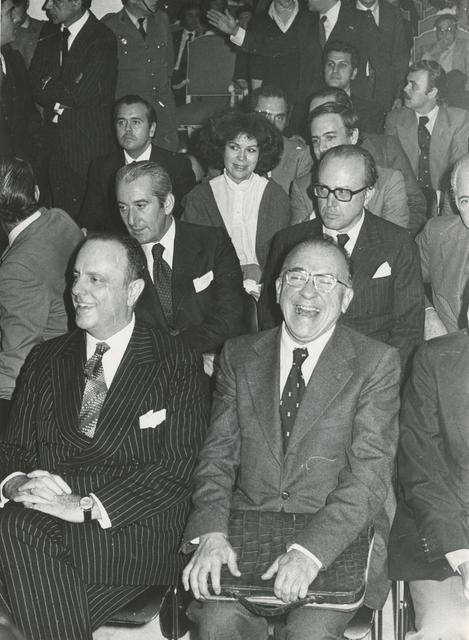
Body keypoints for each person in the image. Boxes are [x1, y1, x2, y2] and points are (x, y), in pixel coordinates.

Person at [182, 236, 401, 640]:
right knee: (218, 624)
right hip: (247, 534)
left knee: (310, 634)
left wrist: (309, 553)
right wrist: (211, 532)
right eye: (297, 277)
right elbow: (216, 458)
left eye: (325, 281)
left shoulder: (376, 363)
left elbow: (369, 478)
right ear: (278, 288)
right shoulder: (239, 355)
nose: (308, 292)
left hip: (334, 538)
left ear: (347, 298)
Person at [0, 233, 210, 640]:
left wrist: (82, 506)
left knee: (14, 531)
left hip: (131, 533)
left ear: (133, 291)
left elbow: (178, 469)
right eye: (76, 277)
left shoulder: (175, 361)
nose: (77, 290)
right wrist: (18, 482)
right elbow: (11, 449)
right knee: (21, 536)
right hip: (44, 529)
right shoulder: (45, 358)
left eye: (95, 280)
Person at [258, 144, 424, 375]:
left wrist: (382, 378)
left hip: (369, 372)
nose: (330, 203)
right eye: (323, 190)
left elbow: (408, 329)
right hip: (301, 368)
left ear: (368, 194)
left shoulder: (397, 244)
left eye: (343, 193)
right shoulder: (289, 241)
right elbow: (270, 316)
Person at [116, 161, 245, 370]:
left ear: (167, 204)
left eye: (140, 206)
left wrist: (182, 353)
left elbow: (230, 316)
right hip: (148, 371)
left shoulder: (212, 242)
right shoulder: (118, 258)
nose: (131, 220)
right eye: (123, 208)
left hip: (209, 367)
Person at [388, 325, 469, 639]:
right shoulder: (435, 360)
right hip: (446, 538)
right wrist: (464, 559)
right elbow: (422, 472)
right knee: (453, 630)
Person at [0, 157, 82, 425]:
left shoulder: (17, 268)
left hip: (48, 384)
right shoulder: (60, 218)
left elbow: (18, 359)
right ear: (35, 193)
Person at [182, 111, 290, 294]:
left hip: (265, 291)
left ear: (261, 154)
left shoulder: (275, 196)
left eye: (251, 150)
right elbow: (191, 258)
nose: (241, 158)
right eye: (234, 147)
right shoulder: (199, 198)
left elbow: (281, 259)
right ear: (221, 149)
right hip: (213, 290)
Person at [29, 0, 117, 221]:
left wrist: (49, 84)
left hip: (88, 145)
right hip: (54, 143)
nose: (47, 6)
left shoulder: (102, 37)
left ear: (77, 2)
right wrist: (60, 100)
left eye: (55, 1)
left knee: (91, 219)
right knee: (63, 219)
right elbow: (34, 85)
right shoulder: (49, 32)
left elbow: (82, 94)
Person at [308, 87, 428, 235]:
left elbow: (415, 205)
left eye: (329, 109)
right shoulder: (308, 169)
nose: (322, 147)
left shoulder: (386, 149)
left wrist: (401, 241)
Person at [80, 95, 195, 232]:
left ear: (152, 129)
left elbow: (184, 220)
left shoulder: (177, 166)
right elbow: (90, 220)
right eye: (121, 122)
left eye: (135, 122)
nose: (127, 129)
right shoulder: (101, 167)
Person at [292, 102, 409, 229]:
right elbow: (297, 236)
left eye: (330, 137)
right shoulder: (302, 187)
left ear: (353, 136)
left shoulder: (388, 182)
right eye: (315, 141)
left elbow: (394, 237)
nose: (321, 148)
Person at [385, 60, 469, 199]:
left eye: (413, 85)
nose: (405, 89)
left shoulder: (459, 121)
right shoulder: (395, 120)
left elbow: (458, 174)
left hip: (445, 200)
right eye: (407, 83)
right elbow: (392, 170)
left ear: (432, 92)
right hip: (407, 199)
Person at [102, 0, 178, 152]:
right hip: (130, 115)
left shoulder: (161, 19)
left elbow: (169, 64)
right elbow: (105, 76)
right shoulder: (110, 25)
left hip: (162, 111)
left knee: (166, 159)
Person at [417, 154, 469, 340]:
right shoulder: (437, 233)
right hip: (448, 350)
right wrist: (428, 315)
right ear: (456, 203)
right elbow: (403, 278)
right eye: (466, 201)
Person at [251, 85, 313, 194]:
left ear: (286, 121)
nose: (272, 124)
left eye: (279, 118)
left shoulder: (299, 156)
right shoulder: (235, 150)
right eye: (265, 115)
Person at [354, 0, 409, 109]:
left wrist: (399, 94)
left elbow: (400, 58)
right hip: (352, 91)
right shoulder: (343, 11)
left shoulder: (392, 13)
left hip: (386, 92)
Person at [323, 40, 384, 133]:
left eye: (342, 65)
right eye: (330, 64)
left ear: (354, 73)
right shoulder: (309, 107)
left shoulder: (370, 112)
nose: (335, 70)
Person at [172, 2, 205, 106]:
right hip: (173, 75)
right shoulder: (173, 36)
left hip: (191, 78)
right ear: (183, 17)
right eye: (190, 15)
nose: (194, 19)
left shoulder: (204, 37)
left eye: (197, 15)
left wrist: (201, 36)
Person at [10, 0, 44, 67]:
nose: (11, 11)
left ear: (27, 4)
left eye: (16, 4)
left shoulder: (45, 29)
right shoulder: (2, 32)